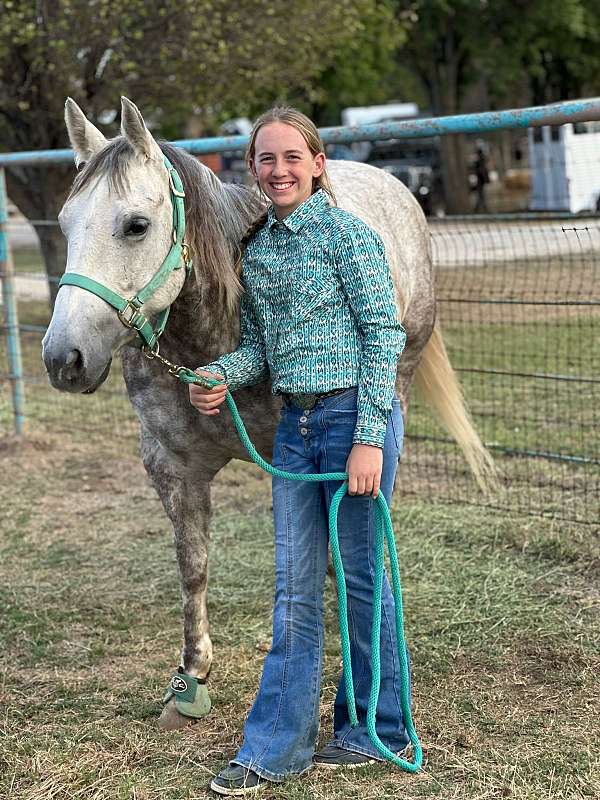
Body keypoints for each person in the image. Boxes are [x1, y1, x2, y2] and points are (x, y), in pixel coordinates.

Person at [189, 107, 410, 796]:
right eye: (266, 159)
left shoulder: (349, 237)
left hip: (355, 423)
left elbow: (384, 334)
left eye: (292, 157)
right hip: (297, 428)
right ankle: (276, 747)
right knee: (293, 590)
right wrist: (223, 371)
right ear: (251, 170)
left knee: (362, 579)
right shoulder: (256, 252)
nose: (279, 170)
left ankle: (377, 729)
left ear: (317, 163)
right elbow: (260, 346)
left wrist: (369, 437)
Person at [473, 146, 490, 213]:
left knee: (481, 196)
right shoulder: (480, 161)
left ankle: (480, 209)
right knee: (481, 196)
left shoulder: (480, 161)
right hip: (481, 181)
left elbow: (482, 171)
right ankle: (480, 209)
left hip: (481, 181)